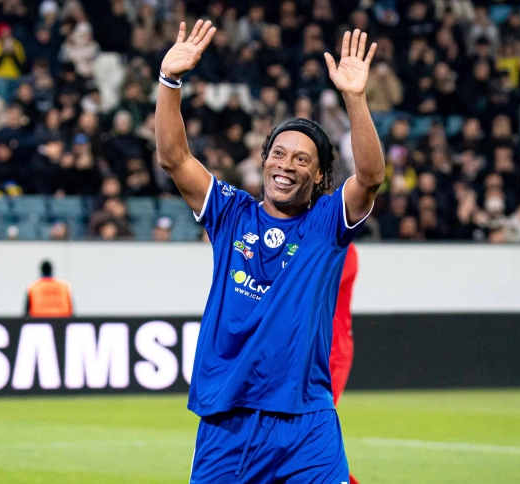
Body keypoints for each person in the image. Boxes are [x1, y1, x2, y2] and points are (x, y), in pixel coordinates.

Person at [156, 21, 384, 482]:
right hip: (228, 419)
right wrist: (169, 82)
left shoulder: (326, 224)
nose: (286, 165)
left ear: (320, 178)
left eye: (302, 159)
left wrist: (355, 100)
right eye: (278, 154)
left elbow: (371, 177)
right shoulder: (231, 212)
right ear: (263, 159)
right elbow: (174, 158)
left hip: (308, 423)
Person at [330, 242, 360, 484]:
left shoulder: (343, 247)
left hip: (331, 350)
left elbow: (317, 283)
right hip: (304, 348)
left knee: (315, 423)